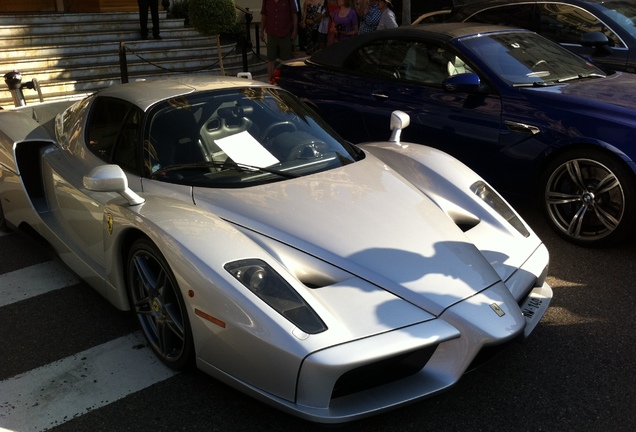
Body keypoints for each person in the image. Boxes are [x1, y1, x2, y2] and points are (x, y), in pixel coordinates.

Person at [261, 0, 299, 80]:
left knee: (286, 60)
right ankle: (270, 80)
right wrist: (261, 31)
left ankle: (285, 80)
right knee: (270, 59)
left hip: (285, 33)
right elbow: (264, 15)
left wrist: (295, 30)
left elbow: (294, 14)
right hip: (271, 33)